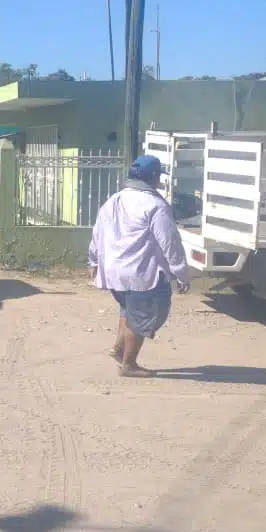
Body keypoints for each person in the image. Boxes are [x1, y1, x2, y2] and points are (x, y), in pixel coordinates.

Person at [89, 154, 191, 378]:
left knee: (128, 309)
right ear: (154, 177)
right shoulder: (156, 206)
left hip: (114, 271)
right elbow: (169, 243)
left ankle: (118, 349)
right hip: (141, 273)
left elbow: (97, 233)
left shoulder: (113, 200)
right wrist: (182, 273)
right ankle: (129, 364)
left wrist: (94, 260)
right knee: (146, 314)